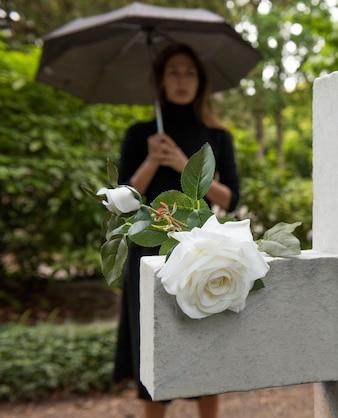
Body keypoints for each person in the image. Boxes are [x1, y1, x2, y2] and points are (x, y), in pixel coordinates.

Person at [113, 43, 240, 418]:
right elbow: (125, 199)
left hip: (200, 248)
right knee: (152, 343)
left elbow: (230, 198)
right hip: (148, 247)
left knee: (205, 338)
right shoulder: (141, 134)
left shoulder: (218, 137)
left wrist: (186, 164)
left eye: (189, 72)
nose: (182, 80)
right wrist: (153, 159)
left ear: (200, 82)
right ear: (160, 81)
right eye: (174, 72)